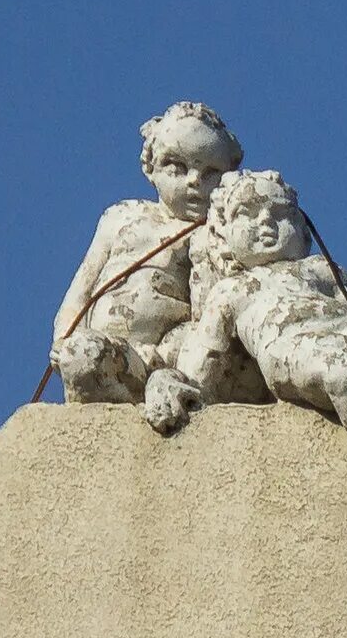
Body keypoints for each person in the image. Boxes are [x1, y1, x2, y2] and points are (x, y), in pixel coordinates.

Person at [171, 169, 347, 490]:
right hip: (293, 348)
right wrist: (179, 384)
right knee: (343, 367)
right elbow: (202, 360)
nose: (266, 222)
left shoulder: (321, 268)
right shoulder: (233, 290)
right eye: (247, 213)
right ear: (223, 235)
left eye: (280, 213)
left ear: (302, 229)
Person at [49, 102, 243, 430]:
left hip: (162, 356)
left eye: (211, 173)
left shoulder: (215, 234)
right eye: (177, 168)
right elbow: (84, 283)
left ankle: (158, 396)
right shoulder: (121, 217)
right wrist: (64, 333)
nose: (195, 182)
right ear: (150, 168)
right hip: (108, 349)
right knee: (79, 355)